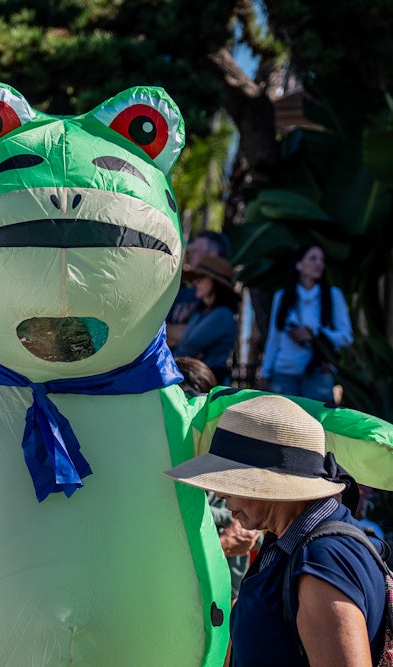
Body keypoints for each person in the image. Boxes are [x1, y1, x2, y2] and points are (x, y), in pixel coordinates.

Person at [164, 394, 386, 666]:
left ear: (269, 482)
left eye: (230, 479)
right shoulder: (292, 541)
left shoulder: (322, 558)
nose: (221, 493)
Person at [176, 356, 260, 603]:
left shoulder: (222, 467)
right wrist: (222, 545)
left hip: (226, 600)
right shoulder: (157, 469)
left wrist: (248, 530)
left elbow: (258, 529)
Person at [259, 244, 353, 402]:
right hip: (284, 374)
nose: (319, 264)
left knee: (317, 424)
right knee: (282, 424)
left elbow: (347, 337)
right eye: (313, 258)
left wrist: (314, 334)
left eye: (322, 260)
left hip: (318, 373)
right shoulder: (282, 297)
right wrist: (265, 373)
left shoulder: (333, 295)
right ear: (299, 264)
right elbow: (274, 338)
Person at [172, 255, 240, 385]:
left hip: (213, 381)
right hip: (201, 379)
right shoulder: (201, 311)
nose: (195, 282)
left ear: (215, 282)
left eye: (201, 278)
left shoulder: (222, 314)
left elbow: (188, 345)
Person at [167, 230, 231, 348]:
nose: (189, 254)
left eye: (195, 251)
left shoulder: (221, 310)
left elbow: (189, 341)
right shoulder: (183, 292)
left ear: (213, 256)